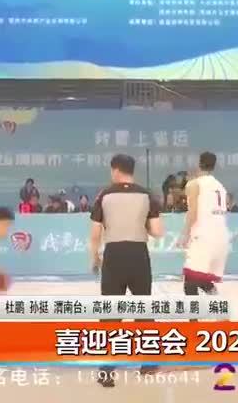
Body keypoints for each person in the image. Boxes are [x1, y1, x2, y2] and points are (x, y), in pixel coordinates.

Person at [89, 154, 163, 387]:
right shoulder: (147, 195)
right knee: (143, 309)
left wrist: (95, 256)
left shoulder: (104, 195)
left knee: (111, 313)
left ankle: (107, 370)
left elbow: (95, 233)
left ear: (115, 170)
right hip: (139, 254)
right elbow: (157, 231)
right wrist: (141, 224)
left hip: (114, 255)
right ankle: (148, 364)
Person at [177, 152, 229, 298]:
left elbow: (193, 212)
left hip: (204, 236)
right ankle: (218, 304)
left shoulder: (194, 184)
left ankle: (203, 310)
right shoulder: (220, 186)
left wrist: (185, 234)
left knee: (190, 283)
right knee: (201, 279)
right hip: (221, 236)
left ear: (198, 163)